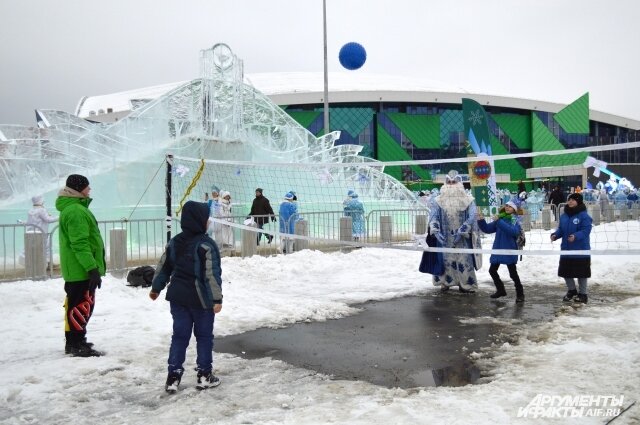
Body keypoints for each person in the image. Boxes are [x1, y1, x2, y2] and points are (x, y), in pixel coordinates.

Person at [150, 200, 223, 393]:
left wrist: (156, 288)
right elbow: (212, 275)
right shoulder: (207, 245)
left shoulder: (176, 241)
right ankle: (204, 374)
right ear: (200, 221)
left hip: (178, 298)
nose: (208, 222)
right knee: (204, 336)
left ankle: (173, 376)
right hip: (201, 301)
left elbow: (164, 266)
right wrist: (217, 299)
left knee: (180, 336)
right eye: (206, 219)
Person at [55, 174, 105, 357]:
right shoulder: (76, 211)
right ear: (79, 189)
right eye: (87, 187)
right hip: (81, 270)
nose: (89, 190)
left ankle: (74, 341)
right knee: (81, 307)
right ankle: (77, 343)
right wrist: (92, 269)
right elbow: (80, 243)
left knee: (77, 305)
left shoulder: (72, 208)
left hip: (77, 269)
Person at [429, 170, 481, 293]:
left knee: (463, 258)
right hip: (445, 237)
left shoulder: (468, 199)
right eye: (449, 182)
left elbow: (473, 215)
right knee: (445, 259)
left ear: (460, 183)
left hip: (463, 238)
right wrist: (436, 231)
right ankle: (446, 282)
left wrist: (463, 229)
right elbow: (433, 216)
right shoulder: (437, 200)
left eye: (454, 182)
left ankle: (466, 284)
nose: (451, 185)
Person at [477, 200, 524, 302]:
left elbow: (514, 232)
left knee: (513, 274)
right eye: (506, 206)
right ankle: (501, 290)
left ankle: (520, 294)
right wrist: (481, 220)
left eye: (510, 206)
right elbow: (487, 229)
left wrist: (499, 222)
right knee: (492, 270)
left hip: (509, 250)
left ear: (514, 209)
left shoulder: (515, 219)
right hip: (498, 249)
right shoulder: (501, 218)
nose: (507, 207)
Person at [550, 193, 592, 304]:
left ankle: (583, 294)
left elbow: (586, 231)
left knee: (581, 273)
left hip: (580, 250)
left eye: (573, 200)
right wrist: (555, 235)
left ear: (579, 201)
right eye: (569, 200)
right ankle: (572, 290)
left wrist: (575, 236)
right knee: (565, 272)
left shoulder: (584, 216)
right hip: (566, 249)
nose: (570, 202)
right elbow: (561, 230)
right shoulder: (564, 215)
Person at [26, 195, 58, 265]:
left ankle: (36, 263)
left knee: (36, 248)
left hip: (33, 232)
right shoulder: (41, 210)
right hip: (42, 232)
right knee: (47, 248)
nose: (44, 201)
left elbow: (30, 222)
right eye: (42, 200)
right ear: (40, 201)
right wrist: (59, 217)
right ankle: (48, 263)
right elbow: (48, 219)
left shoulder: (31, 210)